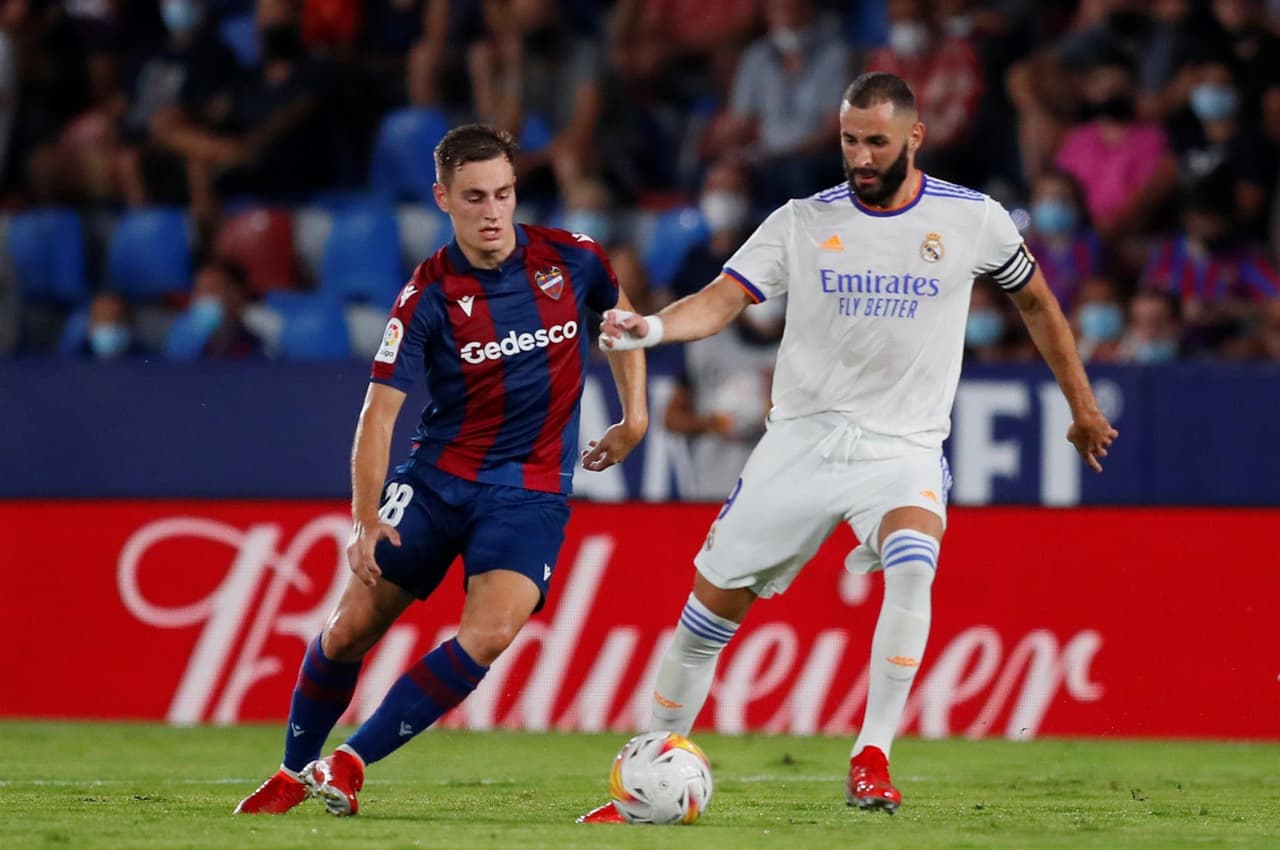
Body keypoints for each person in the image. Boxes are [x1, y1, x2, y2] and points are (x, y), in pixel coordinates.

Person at [580, 72, 1117, 821]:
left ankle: (873, 754)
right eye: (849, 141)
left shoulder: (974, 219)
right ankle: (647, 777)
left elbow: (1036, 301)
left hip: (903, 445)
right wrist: (656, 327)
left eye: (876, 141)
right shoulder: (802, 220)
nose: (860, 157)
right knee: (705, 622)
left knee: (912, 567)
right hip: (800, 442)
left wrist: (1082, 406)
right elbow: (724, 299)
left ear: (914, 138)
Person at [234, 124, 647, 816]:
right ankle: (293, 769)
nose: (492, 212)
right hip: (436, 481)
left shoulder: (572, 261)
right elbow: (378, 416)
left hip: (529, 491)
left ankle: (351, 761)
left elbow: (621, 320)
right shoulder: (426, 295)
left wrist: (635, 417)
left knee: (490, 631)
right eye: (476, 196)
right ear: (443, 199)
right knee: (348, 630)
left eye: (505, 194)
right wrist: (365, 521)